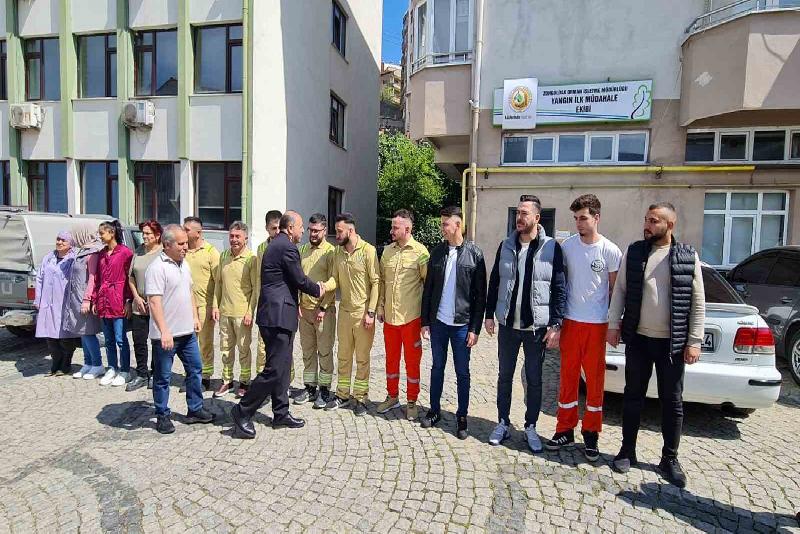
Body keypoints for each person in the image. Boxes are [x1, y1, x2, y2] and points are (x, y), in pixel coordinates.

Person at [607, 202, 705, 488]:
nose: (647, 225)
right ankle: (627, 450)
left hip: (671, 345)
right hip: (639, 339)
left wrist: (694, 341)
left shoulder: (687, 256)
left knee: (672, 402)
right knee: (632, 396)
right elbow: (620, 290)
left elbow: (698, 302)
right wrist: (613, 324)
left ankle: (669, 458)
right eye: (646, 220)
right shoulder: (635, 252)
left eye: (654, 221)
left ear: (669, 225)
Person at [231, 211, 327, 438]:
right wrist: (318, 289)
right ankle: (242, 410)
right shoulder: (287, 247)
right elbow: (299, 279)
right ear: (290, 227)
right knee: (274, 369)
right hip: (277, 316)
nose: (303, 231)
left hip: (278, 315)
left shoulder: (276, 244)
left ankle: (281, 413)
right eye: (301, 227)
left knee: (282, 367)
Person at [484, 195, 566, 453]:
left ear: (537, 218)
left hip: (535, 329)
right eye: (518, 213)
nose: (519, 218)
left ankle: (530, 426)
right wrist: (489, 314)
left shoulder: (551, 248)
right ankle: (503, 423)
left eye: (524, 213)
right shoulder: (506, 245)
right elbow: (495, 280)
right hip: (508, 326)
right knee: (504, 376)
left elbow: (559, 287)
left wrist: (556, 324)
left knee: (534, 379)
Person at [544, 194, 621, 461]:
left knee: (595, 382)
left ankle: (591, 433)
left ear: (596, 218)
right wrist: (557, 322)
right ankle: (565, 429)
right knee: (567, 378)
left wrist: (614, 324)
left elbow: (615, 291)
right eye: (576, 218)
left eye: (583, 218)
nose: (578, 223)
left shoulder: (610, 250)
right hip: (571, 322)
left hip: (597, 325)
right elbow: (559, 284)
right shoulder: (567, 247)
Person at [420, 206, 486, 439]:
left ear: (458, 225)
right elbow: (428, 289)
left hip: (462, 325)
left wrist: (474, 329)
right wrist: (425, 321)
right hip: (439, 323)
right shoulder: (437, 253)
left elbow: (480, 296)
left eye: (445, 224)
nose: (442, 228)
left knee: (462, 372)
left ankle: (462, 417)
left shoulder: (475, 254)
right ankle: (434, 410)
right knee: (437, 367)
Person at [145, 225, 215, 434]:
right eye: (181, 244)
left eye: (186, 243)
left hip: (187, 334)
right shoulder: (157, 268)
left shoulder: (184, 264)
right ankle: (162, 415)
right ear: (167, 245)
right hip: (166, 336)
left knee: (195, 369)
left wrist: (194, 317)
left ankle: (195, 409)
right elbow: (154, 302)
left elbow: (189, 292)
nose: (186, 247)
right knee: (163, 377)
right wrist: (164, 331)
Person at [323, 213, 380, 416]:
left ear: (351, 230)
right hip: (345, 313)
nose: (337, 235)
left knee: (362, 358)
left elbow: (376, 282)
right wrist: (323, 287)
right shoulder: (338, 253)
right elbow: (335, 280)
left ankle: (361, 398)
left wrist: (371, 312)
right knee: (343, 356)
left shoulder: (368, 251)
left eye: (339, 231)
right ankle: (342, 395)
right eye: (336, 231)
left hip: (363, 314)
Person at [376, 209, 429, 421]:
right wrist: (380, 308)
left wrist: (426, 319)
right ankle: (392, 396)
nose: (391, 230)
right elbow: (381, 282)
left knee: (412, 362)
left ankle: (412, 401)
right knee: (391, 360)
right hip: (390, 318)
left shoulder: (421, 252)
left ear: (407, 229)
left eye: (395, 227)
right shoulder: (387, 252)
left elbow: (428, 286)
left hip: (411, 319)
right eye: (392, 226)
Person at [293, 213, 337, 408]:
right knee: (308, 351)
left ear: (325, 230)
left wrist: (323, 307)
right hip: (305, 311)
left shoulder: (331, 252)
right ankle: (310, 388)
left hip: (323, 312)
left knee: (325, 352)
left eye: (316, 231)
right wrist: (297, 303)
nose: (312, 234)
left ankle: (325, 390)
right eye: (310, 230)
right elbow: (297, 278)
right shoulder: (302, 250)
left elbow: (334, 281)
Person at [212, 221, 258, 398]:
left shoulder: (251, 259)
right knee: (225, 349)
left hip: (242, 314)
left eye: (238, 236)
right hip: (225, 312)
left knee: (244, 349)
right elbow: (218, 284)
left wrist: (250, 312)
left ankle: (245, 382)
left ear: (246, 238)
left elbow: (255, 288)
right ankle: (227, 381)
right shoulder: (224, 256)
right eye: (231, 236)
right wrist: (215, 306)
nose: (234, 239)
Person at [94, 220, 134, 387]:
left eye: (102, 233)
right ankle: (112, 367)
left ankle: (125, 370)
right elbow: (98, 278)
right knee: (108, 339)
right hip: (104, 301)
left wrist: (128, 301)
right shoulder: (102, 254)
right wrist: (95, 299)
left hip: (118, 300)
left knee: (120, 338)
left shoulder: (125, 253)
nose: (100, 236)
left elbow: (130, 278)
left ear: (111, 233)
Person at [63, 224, 105, 380]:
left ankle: (97, 364)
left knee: (88, 332)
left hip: (84, 298)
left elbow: (93, 278)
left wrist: (87, 300)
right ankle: (88, 363)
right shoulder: (82, 250)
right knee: (82, 332)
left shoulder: (93, 252)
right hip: (76, 297)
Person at [183, 216, 221, 391]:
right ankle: (191, 376)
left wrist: (215, 305)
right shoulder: (182, 251)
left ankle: (205, 377)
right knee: (188, 344)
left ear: (198, 233)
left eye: (187, 229)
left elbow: (218, 282)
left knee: (205, 343)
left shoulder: (211, 252)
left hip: (204, 305)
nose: (183, 232)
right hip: (185, 306)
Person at [35, 231, 80, 376]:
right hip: (48, 302)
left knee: (65, 336)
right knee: (50, 336)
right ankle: (55, 364)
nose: (59, 242)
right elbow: (39, 278)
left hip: (64, 303)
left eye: (63, 240)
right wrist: (38, 298)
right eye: (58, 239)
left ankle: (65, 364)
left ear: (70, 243)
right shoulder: (48, 258)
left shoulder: (74, 258)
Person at [126, 220, 163, 391]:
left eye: (148, 233)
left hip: (157, 304)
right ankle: (141, 373)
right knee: (139, 341)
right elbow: (131, 277)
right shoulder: (138, 251)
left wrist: (153, 298)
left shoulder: (163, 253)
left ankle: (156, 373)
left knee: (157, 341)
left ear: (157, 235)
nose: (145, 236)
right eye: (144, 233)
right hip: (139, 305)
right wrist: (136, 297)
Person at [253, 210, 285, 385]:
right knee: (262, 347)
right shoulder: (261, 249)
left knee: (282, 346)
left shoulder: (287, 246)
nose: (277, 231)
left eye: (279, 227)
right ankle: (263, 383)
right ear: (267, 228)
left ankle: (283, 384)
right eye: (273, 228)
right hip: (265, 304)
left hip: (281, 304)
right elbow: (259, 278)